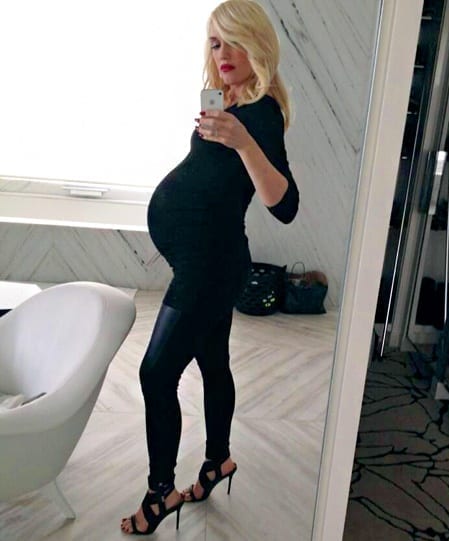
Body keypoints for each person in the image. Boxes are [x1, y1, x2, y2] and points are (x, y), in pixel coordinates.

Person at [121, 0, 299, 535]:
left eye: (234, 41)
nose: (223, 53)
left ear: (257, 45)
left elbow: (285, 204)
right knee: (214, 364)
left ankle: (160, 494)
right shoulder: (230, 100)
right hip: (209, 261)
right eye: (216, 42)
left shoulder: (261, 112)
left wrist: (242, 141)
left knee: (156, 374)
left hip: (210, 268)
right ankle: (217, 461)